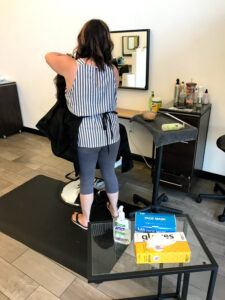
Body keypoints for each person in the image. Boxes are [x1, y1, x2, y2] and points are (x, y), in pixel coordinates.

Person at [45, 19, 120, 230]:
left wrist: (72, 54)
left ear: (82, 39)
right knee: (109, 173)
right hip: (111, 132)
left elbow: (48, 56)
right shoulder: (113, 70)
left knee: (87, 176)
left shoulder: (72, 66)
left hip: (87, 133)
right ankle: (114, 211)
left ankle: (86, 219)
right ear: (107, 41)